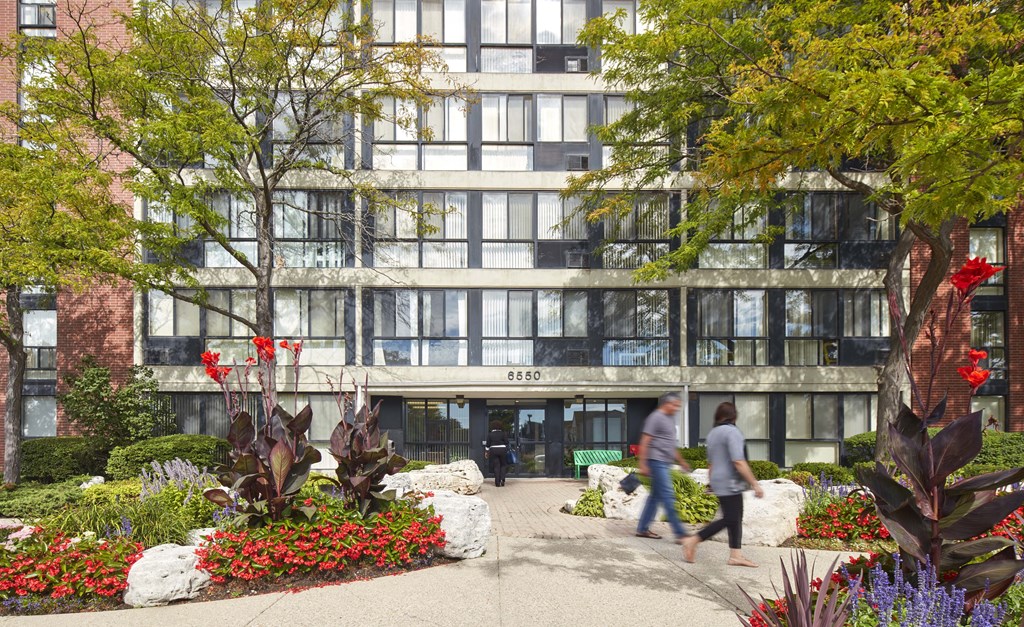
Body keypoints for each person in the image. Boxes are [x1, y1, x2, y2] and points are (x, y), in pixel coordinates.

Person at [682, 401, 764, 567]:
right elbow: (738, 461)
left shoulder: (713, 433)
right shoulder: (732, 432)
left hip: (718, 479)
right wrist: (754, 483)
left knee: (735, 516)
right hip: (730, 481)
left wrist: (711, 482)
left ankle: (736, 555)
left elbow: (711, 463)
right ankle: (694, 539)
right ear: (734, 416)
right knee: (731, 518)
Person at [635, 392, 692, 544]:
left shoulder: (669, 419)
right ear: (667, 403)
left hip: (664, 462)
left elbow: (670, 445)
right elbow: (645, 441)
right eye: (675, 405)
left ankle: (642, 528)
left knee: (655, 497)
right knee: (668, 496)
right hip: (657, 462)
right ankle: (681, 534)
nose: (676, 408)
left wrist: (681, 461)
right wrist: (642, 463)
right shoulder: (656, 417)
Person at [484, 420, 510, 487]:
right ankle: (502, 479)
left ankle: (497, 482)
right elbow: (507, 442)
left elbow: (487, 445)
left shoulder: (490, 434)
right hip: (502, 449)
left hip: (493, 450)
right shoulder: (503, 433)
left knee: (496, 466)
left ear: (492, 427)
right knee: (503, 465)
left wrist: (486, 452)